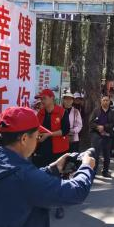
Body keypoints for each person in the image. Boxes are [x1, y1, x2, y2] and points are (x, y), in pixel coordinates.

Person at [34, 89, 70, 220]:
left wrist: (49, 135)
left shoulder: (62, 112)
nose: (41, 101)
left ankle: (59, 205)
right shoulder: (40, 113)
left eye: (43, 98)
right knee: (42, 177)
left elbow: (65, 130)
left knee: (57, 177)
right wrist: (38, 136)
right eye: (40, 99)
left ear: (51, 98)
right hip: (42, 150)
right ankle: (43, 203)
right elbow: (36, 128)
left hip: (58, 150)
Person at [89, 94, 114, 178]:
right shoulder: (96, 111)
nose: (105, 102)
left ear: (109, 102)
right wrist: (98, 127)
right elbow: (90, 122)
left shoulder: (112, 112)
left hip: (107, 134)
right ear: (101, 102)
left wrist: (104, 127)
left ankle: (105, 171)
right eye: (104, 100)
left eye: (107, 100)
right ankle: (93, 171)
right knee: (95, 154)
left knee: (107, 154)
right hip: (96, 133)